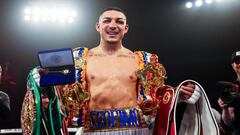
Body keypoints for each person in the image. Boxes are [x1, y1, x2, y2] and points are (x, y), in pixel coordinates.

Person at [21, 7, 219, 135]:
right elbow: (62, 99)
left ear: (126, 28)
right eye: (107, 21)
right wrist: (41, 82)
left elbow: (157, 98)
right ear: (98, 26)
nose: (113, 25)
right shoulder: (79, 59)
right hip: (93, 129)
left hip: (137, 129)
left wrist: (180, 94)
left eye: (119, 22)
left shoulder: (143, 60)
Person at [218, 50, 240, 135]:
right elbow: (229, 123)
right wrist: (225, 108)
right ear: (232, 66)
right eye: (237, 61)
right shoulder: (232, 88)